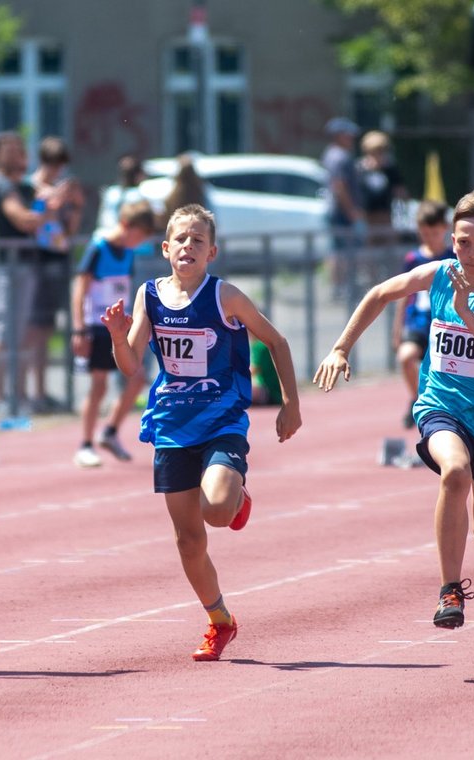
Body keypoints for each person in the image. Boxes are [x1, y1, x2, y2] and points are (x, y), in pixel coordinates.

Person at [314, 186, 474, 630]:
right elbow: (378, 294)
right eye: (463, 242)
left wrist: (467, 316)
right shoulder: (438, 273)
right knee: (454, 471)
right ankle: (450, 590)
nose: (471, 253)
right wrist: (340, 348)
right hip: (441, 404)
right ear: (451, 239)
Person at [102, 203, 302, 661]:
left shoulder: (224, 296)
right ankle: (220, 620)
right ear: (166, 248)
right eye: (181, 239)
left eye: (198, 240)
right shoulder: (148, 296)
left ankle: (237, 495)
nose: (188, 246)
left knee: (214, 510)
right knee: (189, 541)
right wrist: (118, 335)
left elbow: (276, 341)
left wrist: (291, 405)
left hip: (222, 421)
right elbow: (132, 365)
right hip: (172, 427)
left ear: (212, 251)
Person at [71, 200, 156, 467]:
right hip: (95, 325)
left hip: (119, 325)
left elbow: (124, 289)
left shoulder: (129, 253)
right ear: (126, 226)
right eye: (139, 236)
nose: (140, 242)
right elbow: (79, 290)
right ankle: (85, 444)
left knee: (137, 377)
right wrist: (79, 329)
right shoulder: (98, 248)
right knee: (99, 385)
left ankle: (109, 432)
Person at [0, 131, 49, 416]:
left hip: (25, 265)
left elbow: (48, 221)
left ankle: (18, 396)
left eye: (17, 149)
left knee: (21, 333)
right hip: (8, 267)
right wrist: (48, 206)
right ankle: (0, 400)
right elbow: (23, 219)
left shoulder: (23, 186)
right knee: (5, 330)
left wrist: (51, 202)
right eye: (7, 150)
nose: (14, 155)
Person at [29, 136, 86, 413]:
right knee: (38, 329)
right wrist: (52, 200)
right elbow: (35, 221)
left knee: (50, 328)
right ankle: (35, 392)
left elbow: (70, 230)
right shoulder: (31, 187)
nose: (58, 172)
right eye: (54, 166)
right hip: (39, 259)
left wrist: (74, 205)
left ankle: (46, 391)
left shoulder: (61, 188)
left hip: (60, 256)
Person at [391, 200, 456, 428]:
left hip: (445, 325)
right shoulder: (413, 260)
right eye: (424, 232)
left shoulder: (453, 258)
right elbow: (401, 294)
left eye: (434, 232)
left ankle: (444, 409)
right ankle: (418, 400)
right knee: (406, 357)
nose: (428, 237)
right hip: (418, 322)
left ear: (445, 229)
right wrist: (397, 329)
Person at [321, 117, 365, 299]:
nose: (351, 139)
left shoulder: (331, 154)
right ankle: (342, 288)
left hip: (337, 212)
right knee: (343, 252)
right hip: (342, 214)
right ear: (338, 136)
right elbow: (339, 185)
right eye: (348, 135)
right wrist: (351, 211)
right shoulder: (340, 156)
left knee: (338, 251)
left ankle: (339, 287)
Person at [356, 130, 409, 246]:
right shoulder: (360, 169)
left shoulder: (390, 169)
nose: (378, 155)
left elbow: (401, 191)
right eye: (374, 152)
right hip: (367, 217)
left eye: (381, 151)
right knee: (368, 250)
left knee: (389, 247)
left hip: (385, 216)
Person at [156, 153, 208, 232]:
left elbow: (166, 212)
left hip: (177, 228)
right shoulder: (199, 191)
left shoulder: (173, 193)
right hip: (196, 228)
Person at [97, 153, 147, 231]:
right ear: (139, 175)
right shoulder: (138, 196)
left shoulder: (110, 192)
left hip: (105, 234)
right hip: (127, 238)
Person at [250, 337, 282, 406]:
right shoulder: (266, 344)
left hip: (268, 390)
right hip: (277, 391)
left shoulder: (258, 346)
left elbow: (254, 370)